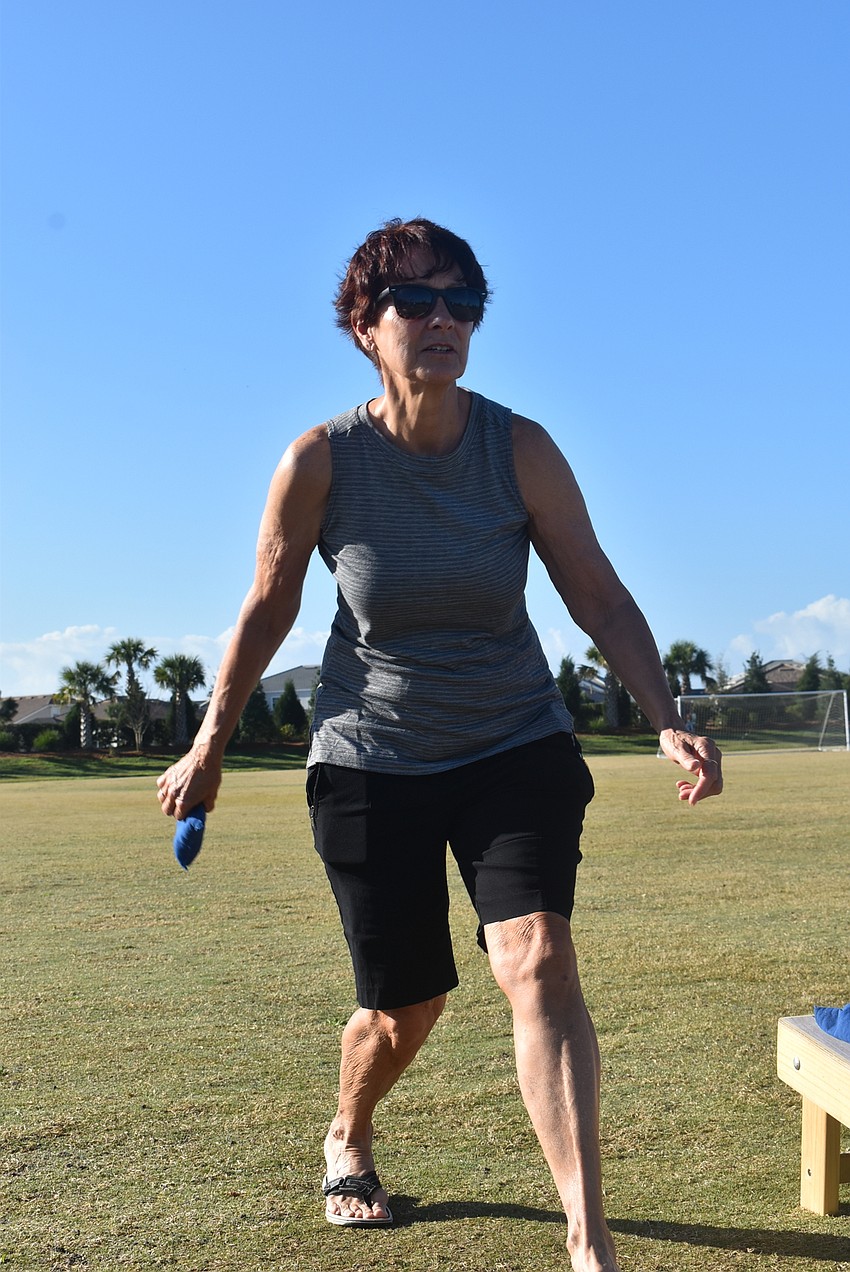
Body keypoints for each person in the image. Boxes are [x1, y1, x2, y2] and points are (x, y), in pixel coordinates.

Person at [157, 218, 722, 1272]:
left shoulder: (519, 449)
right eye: (415, 301)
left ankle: (586, 1241)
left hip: (514, 741)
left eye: (462, 302)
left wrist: (666, 714)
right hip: (370, 756)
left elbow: (596, 593)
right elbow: (264, 612)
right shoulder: (321, 461)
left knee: (537, 955)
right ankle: (348, 1133)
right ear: (364, 325)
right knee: (402, 1006)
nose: (443, 320)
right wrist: (208, 747)